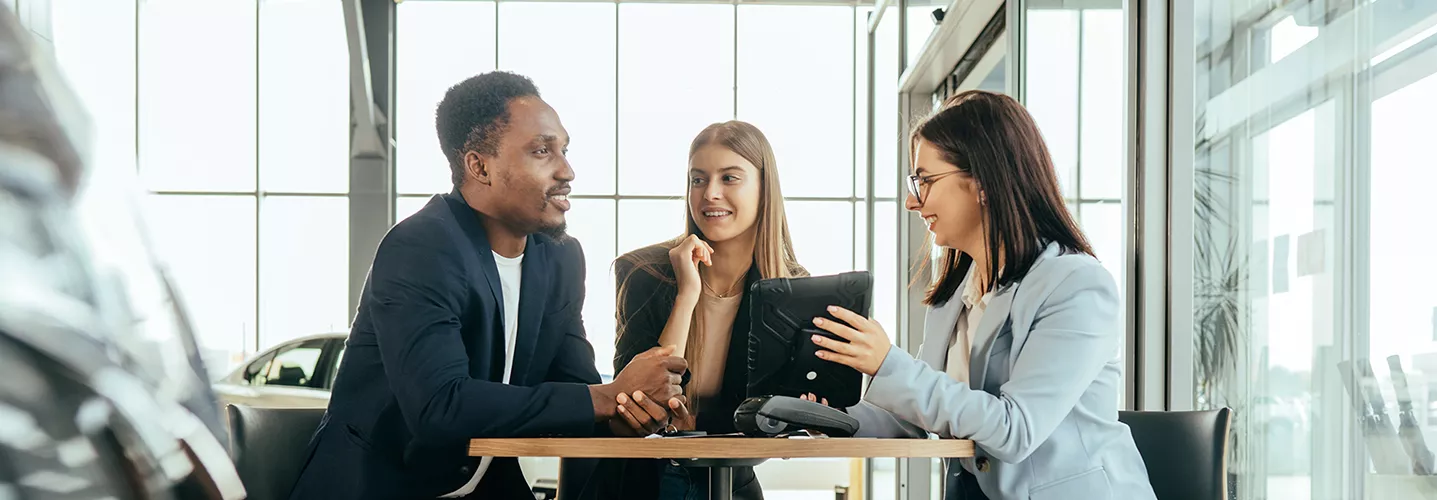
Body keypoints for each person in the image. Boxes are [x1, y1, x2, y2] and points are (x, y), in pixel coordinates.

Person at [288, 71, 688, 500]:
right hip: (379, 486)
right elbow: (440, 407)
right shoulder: (421, 248)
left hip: (484, 487)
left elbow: (576, 389)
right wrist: (605, 398)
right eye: (542, 151)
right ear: (479, 166)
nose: (567, 170)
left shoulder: (559, 258)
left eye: (564, 150)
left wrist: (629, 409)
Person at [807, 91, 1157, 500]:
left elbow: (1014, 430)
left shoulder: (1076, 286)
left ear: (984, 183)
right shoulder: (956, 295)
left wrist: (889, 363)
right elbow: (916, 418)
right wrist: (828, 416)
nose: (910, 201)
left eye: (924, 181)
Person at [602, 121, 807, 500]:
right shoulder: (642, 273)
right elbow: (638, 406)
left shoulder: (792, 290)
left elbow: (782, 415)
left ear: (764, 188)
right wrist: (687, 294)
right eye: (698, 180)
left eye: (729, 178)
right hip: (643, 480)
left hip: (731, 478)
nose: (710, 193)